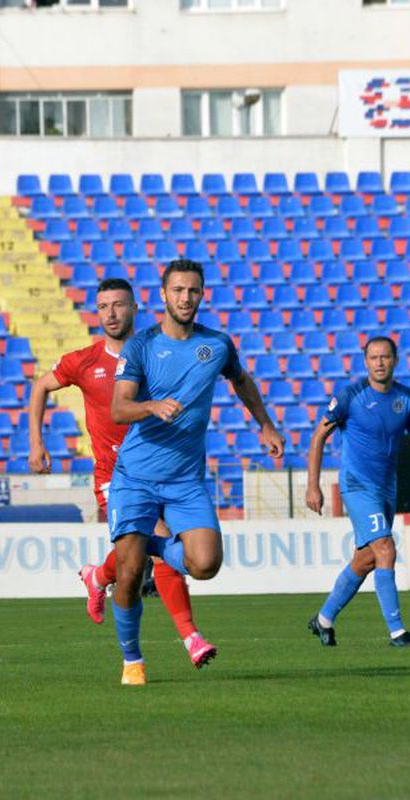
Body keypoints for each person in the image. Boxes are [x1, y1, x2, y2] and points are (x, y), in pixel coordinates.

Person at [107, 259, 285, 686]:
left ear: (202, 294)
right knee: (128, 575)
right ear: (163, 295)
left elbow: (241, 380)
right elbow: (118, 408)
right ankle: (132, 659)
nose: (185, 298)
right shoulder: (141, 346)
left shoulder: (217, 345)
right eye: (178, 290)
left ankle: (146, 544)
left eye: (193, 291)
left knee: (205, 564)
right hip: (136, 476)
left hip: (185, 480)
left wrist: (264, 424)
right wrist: (151, 406)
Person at [27, 277, 217, 669]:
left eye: (118, 305)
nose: (111, 314)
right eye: (103, 307)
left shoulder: (154, 352)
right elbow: (41, 386)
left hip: (161, 470)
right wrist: (36, 442)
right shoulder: (84, 361)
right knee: (157, 542)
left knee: (137, 557)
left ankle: (99, 576)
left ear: (134, 308)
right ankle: (189, 637)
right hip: (114, 475)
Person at [305, 336, 410, 648]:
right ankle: (398, 632)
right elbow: (318, 438)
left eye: (385, 357)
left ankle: (323, 620)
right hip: (357, 485)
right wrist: (312, 486)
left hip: (386, 488)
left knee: (366, 559)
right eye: (374, 357)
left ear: (395, 360)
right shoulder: (350, 396)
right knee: (385, 548)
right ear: (366, 362)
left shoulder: (406, 398)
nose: (380, 362)